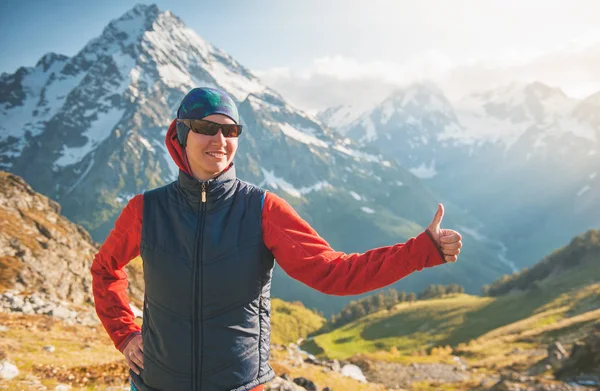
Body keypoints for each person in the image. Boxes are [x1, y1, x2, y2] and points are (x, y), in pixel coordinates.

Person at [91, 87, 463, 391]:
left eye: (230, 130)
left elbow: (334, 273)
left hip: (238, 386)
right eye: (207, 128)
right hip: (157, 384)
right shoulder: (146, 209)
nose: (220, 139)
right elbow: (105, 269)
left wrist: (421, 251)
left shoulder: (262, 209)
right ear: (182, 134)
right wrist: (125, 334)